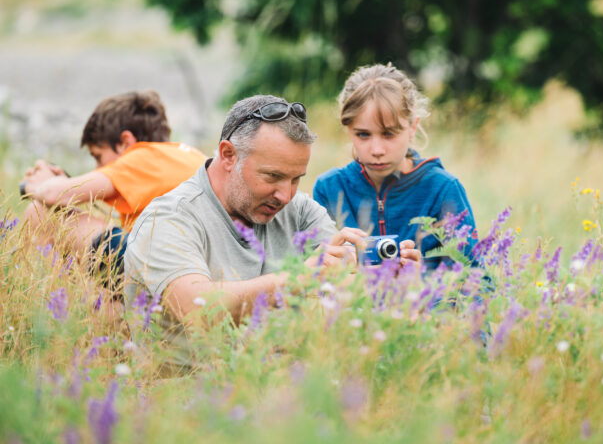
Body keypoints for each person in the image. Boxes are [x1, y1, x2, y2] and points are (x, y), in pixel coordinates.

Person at [123, 94, 422, 366]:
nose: (285, 195)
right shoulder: (169, 219)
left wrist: (383, 278)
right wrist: (301, 277)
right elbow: (198, 310)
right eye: (273, 176)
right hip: (187, 402)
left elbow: (338, 274)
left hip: (278, 392)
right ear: (228, 155)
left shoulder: (298, 210)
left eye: (295, 179)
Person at [21, 90, 207, 281]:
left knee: (41, 211)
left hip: (164, 265)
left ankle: (40, 294)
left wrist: (41, 184)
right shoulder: (184, 155)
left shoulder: (140, 156)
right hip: (196, 265)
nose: (98, 168)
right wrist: (64, 183)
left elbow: (55, 194)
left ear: (125, 142)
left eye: (98, 156)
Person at [313, 64, 478, 270]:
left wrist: (420, 286)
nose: (377, 149)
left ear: (413, 127)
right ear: (348, 129)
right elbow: (311, 280)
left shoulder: (442, 189)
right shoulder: (329, 188)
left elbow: (478, 284)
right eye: (363, 134)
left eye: (389, 134)